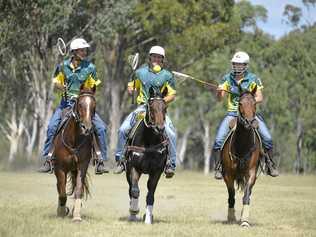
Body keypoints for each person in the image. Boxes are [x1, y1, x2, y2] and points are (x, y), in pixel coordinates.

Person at [38, 38, 108, 174]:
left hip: (83, 104)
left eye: (85, 50)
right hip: (67, 104)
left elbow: (93, 86)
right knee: (52, 126)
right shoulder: (62, 66)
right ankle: (48, 159)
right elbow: (56, 82)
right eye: (82, 50)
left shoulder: (90, 68)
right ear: (74, 52)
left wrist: (84, 94)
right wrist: (61, 86)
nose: (84, 52)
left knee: (101, 128)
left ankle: (101, 160)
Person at [212, 51, 279, 179]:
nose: (237, 67)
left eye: (239, 64)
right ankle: (219, 167)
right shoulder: (227, 78)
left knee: (268, 138)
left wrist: (247, 100)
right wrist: (219, 92)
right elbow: (220, 99)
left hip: (250, 114)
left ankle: (270, 164)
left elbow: (259, 97)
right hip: (232, 114)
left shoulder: (253, 78)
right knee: (218, 140)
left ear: (245, 65)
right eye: (235, 64)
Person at [114, 46, 177, 178]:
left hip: (159, 110)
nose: (156, 59)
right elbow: (131, 86)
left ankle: (171, 163)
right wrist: (130, 89)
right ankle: (120, 160)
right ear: (149, 58)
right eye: (154, 56)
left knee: (171, 133)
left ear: (163, 60)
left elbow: (172, 95)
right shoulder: (139, 73)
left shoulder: (167, 75)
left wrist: (160, 102)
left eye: (159, 57)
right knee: (123, 129)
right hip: (142, 108)